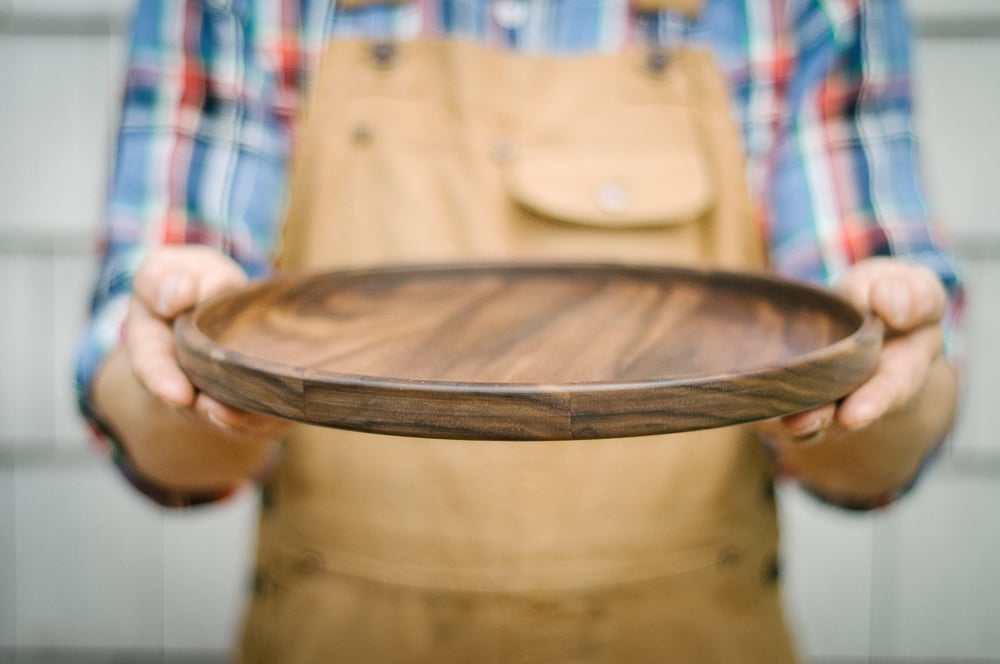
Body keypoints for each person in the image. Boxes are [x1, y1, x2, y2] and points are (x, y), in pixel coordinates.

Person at [76, 0, 963, 661]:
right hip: (337, 630)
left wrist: (879, 373)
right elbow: (158, 434)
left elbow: (875, 451)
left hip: (690, 630)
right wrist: (194, 374)